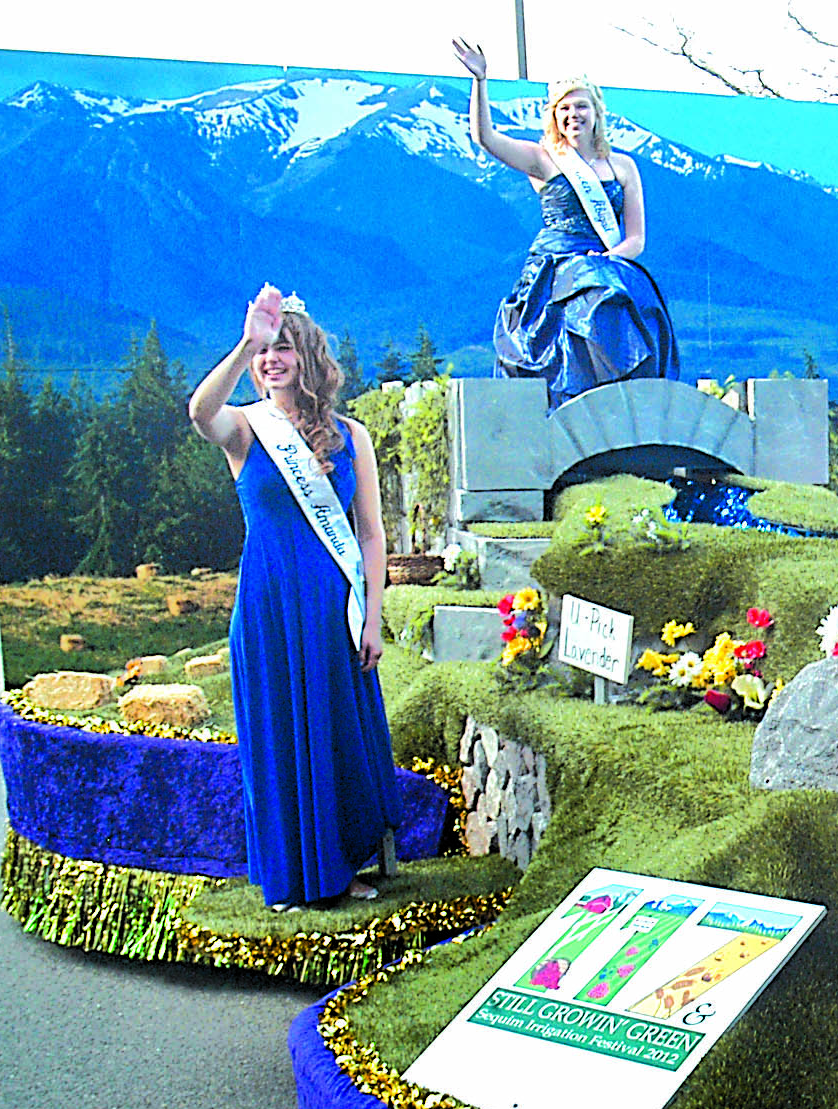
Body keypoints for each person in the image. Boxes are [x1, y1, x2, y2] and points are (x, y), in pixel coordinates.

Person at [189, 284, 402, 910]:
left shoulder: (351, 436)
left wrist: (375, 619)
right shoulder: (247, 432)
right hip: (269, 608)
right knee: (278, 733)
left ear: (309, 357)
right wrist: (243, 343)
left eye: (283, 348)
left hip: (333, 609)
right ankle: (290, 878)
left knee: (335, 733)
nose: (271, 361)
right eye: (265, 352)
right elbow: (201, 412)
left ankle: (340, 870)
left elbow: (369, 531)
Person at [451, 41, 679, 409]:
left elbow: (636, 238)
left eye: (581, 106)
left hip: (607, 260)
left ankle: (624, 403)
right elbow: (486, 139)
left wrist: (608, 257)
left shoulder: (623, 166)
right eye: (565, 108)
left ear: (597, 112)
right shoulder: (543, 159)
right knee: (585, 303)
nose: (574, 114)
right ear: (555, 117)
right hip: (555, 266)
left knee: (620, 297)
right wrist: (480, 80)